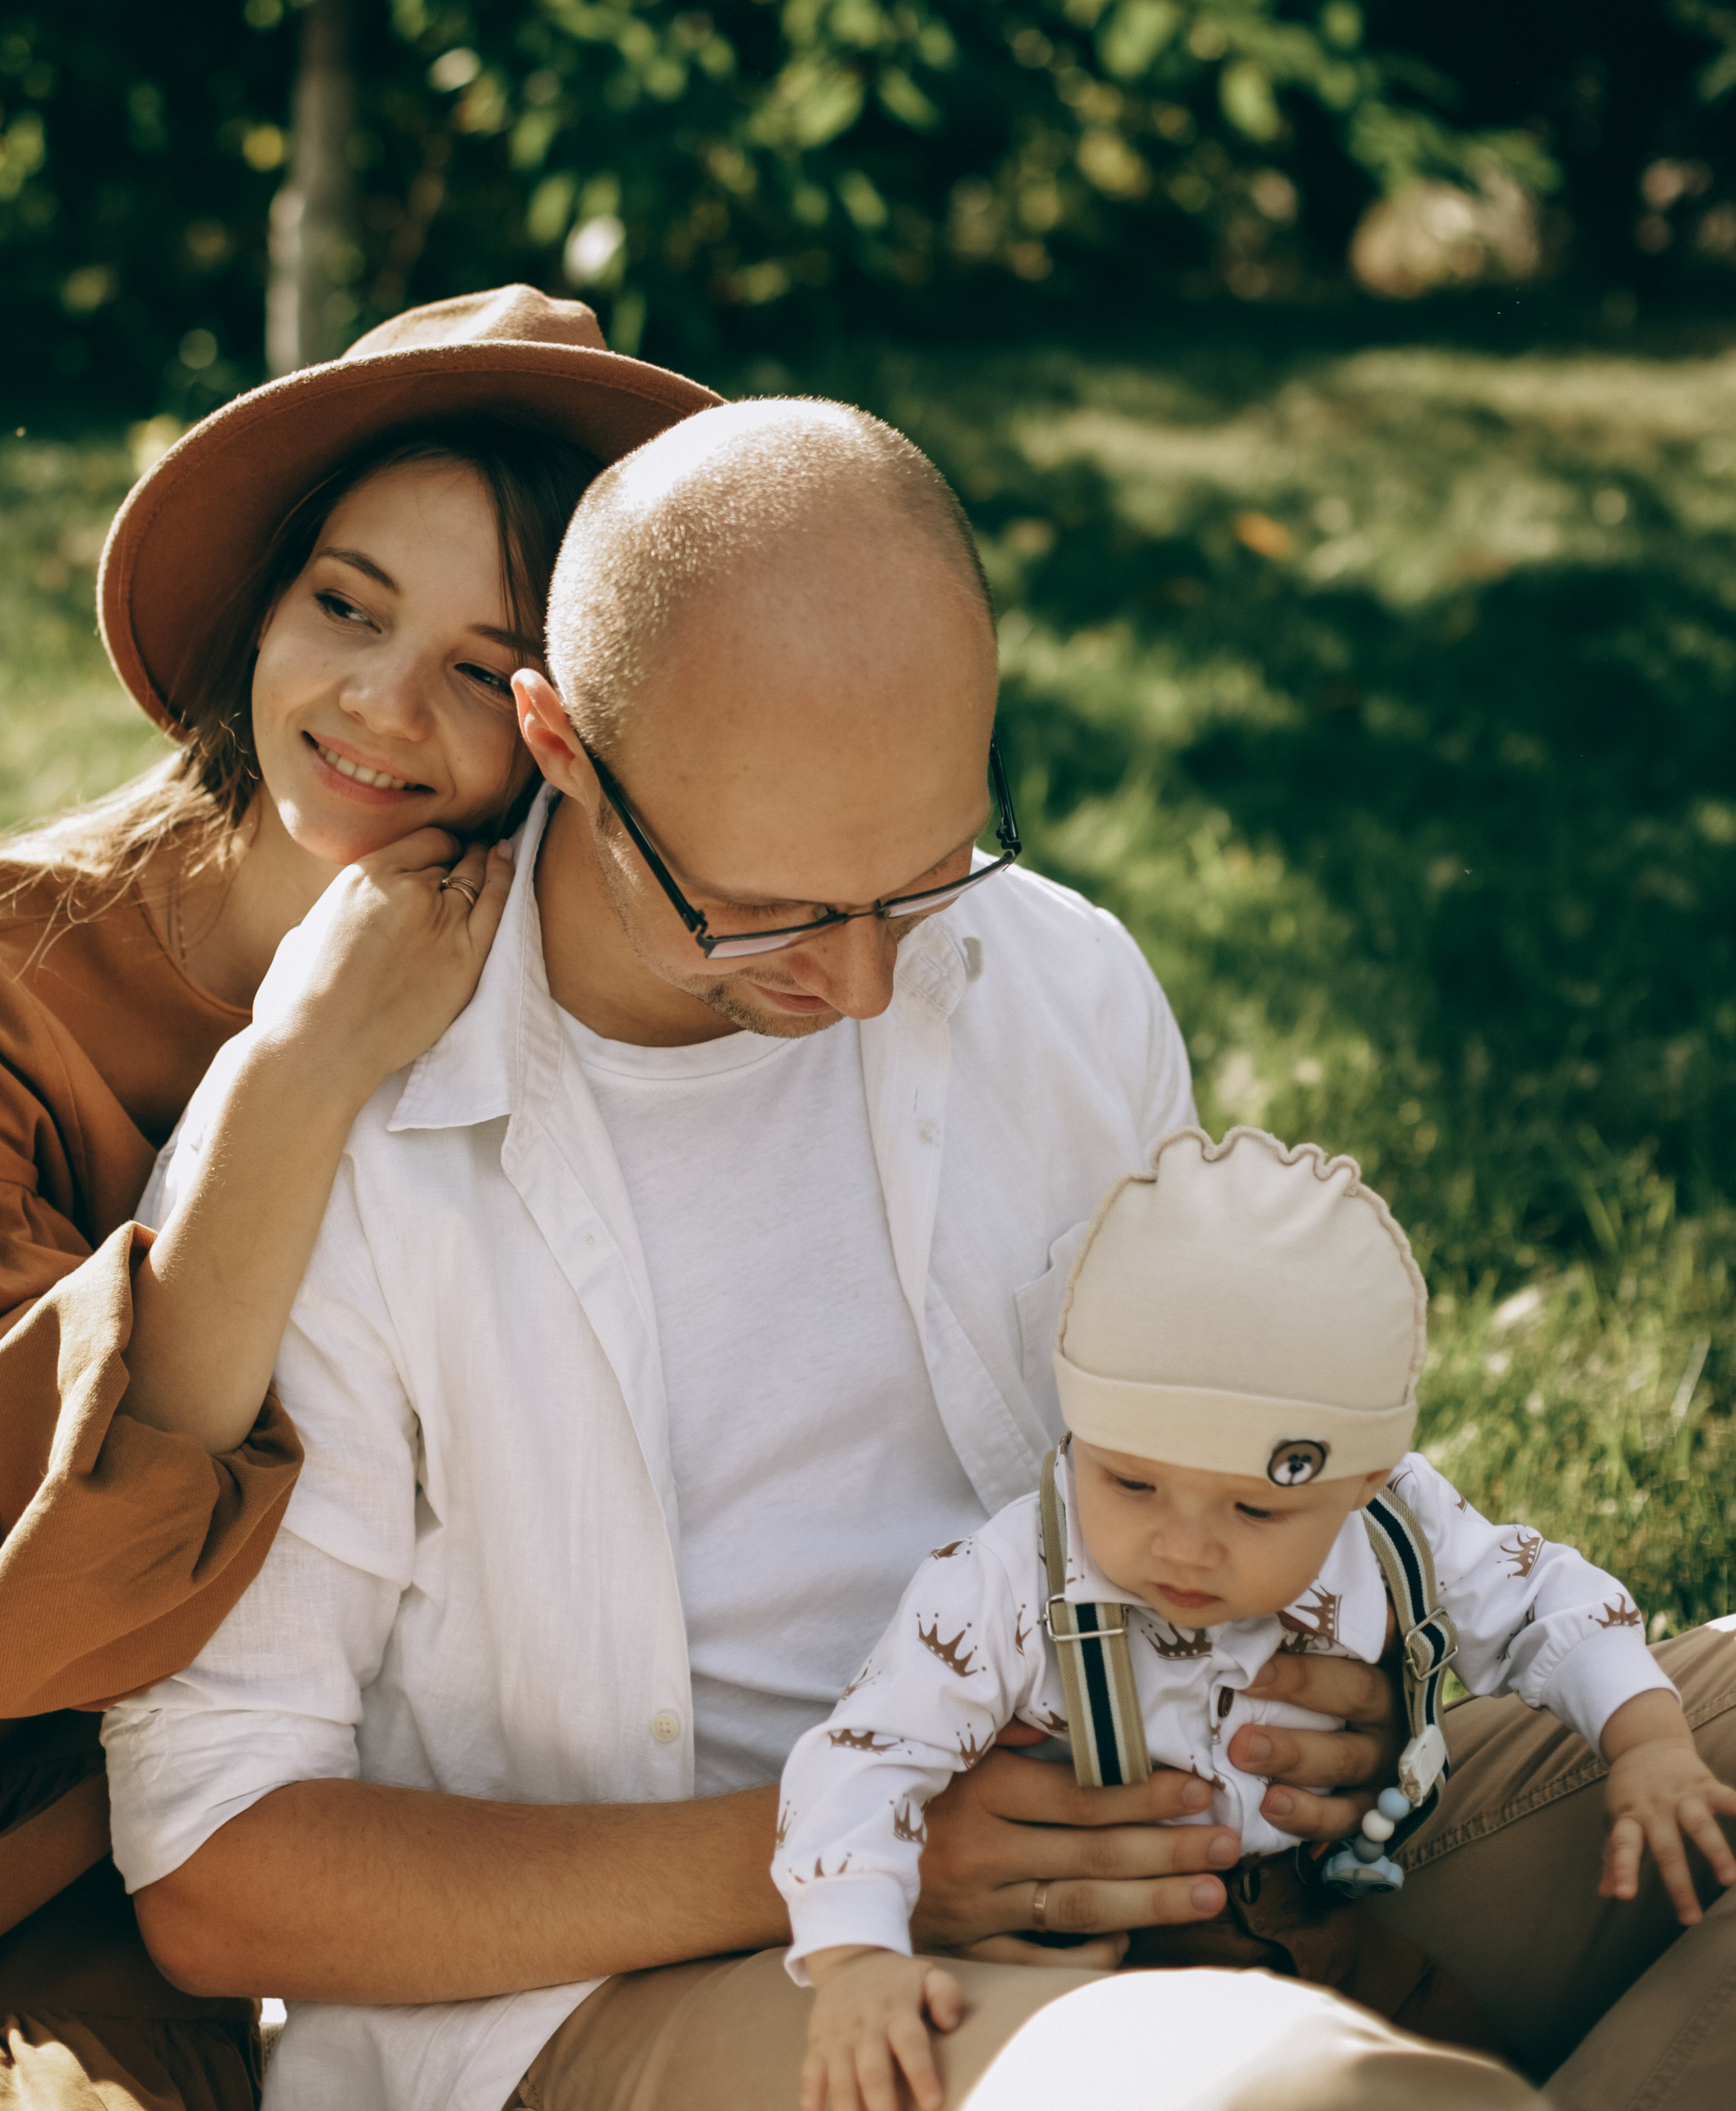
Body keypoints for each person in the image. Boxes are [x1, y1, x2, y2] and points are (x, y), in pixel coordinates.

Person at [101, 396, 1718, 2111]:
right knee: (1274, 2095)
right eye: (774, 911)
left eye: (921, 874)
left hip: (1177, 1865)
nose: (863, 986)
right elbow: (213, 1867)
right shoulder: (337, 1139)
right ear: (561, 750)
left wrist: (1347, 1701)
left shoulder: (1055, 980)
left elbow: (1221, 1472)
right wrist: (877, 1853)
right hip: (636, 1992)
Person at [0, 287, 715, 2111]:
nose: (376, 707)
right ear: (263, 603)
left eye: (480, 664)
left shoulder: (599, 999)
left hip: (153, 1858)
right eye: (344, 608)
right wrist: (292, 1082)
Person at [778, 1126, 1736, 2111]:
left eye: (1253, 1510)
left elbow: (1541, 1598)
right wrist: (857, 1958)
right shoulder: (1006, 1587)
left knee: (1470, 2066)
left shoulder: (1392, 1524)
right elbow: (865, 1756)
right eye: (1132, 1482)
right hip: (1096, 1982)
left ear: (1363, 1480)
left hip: (1329, 1926)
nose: (1184, 1546)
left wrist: (1647, 1740)